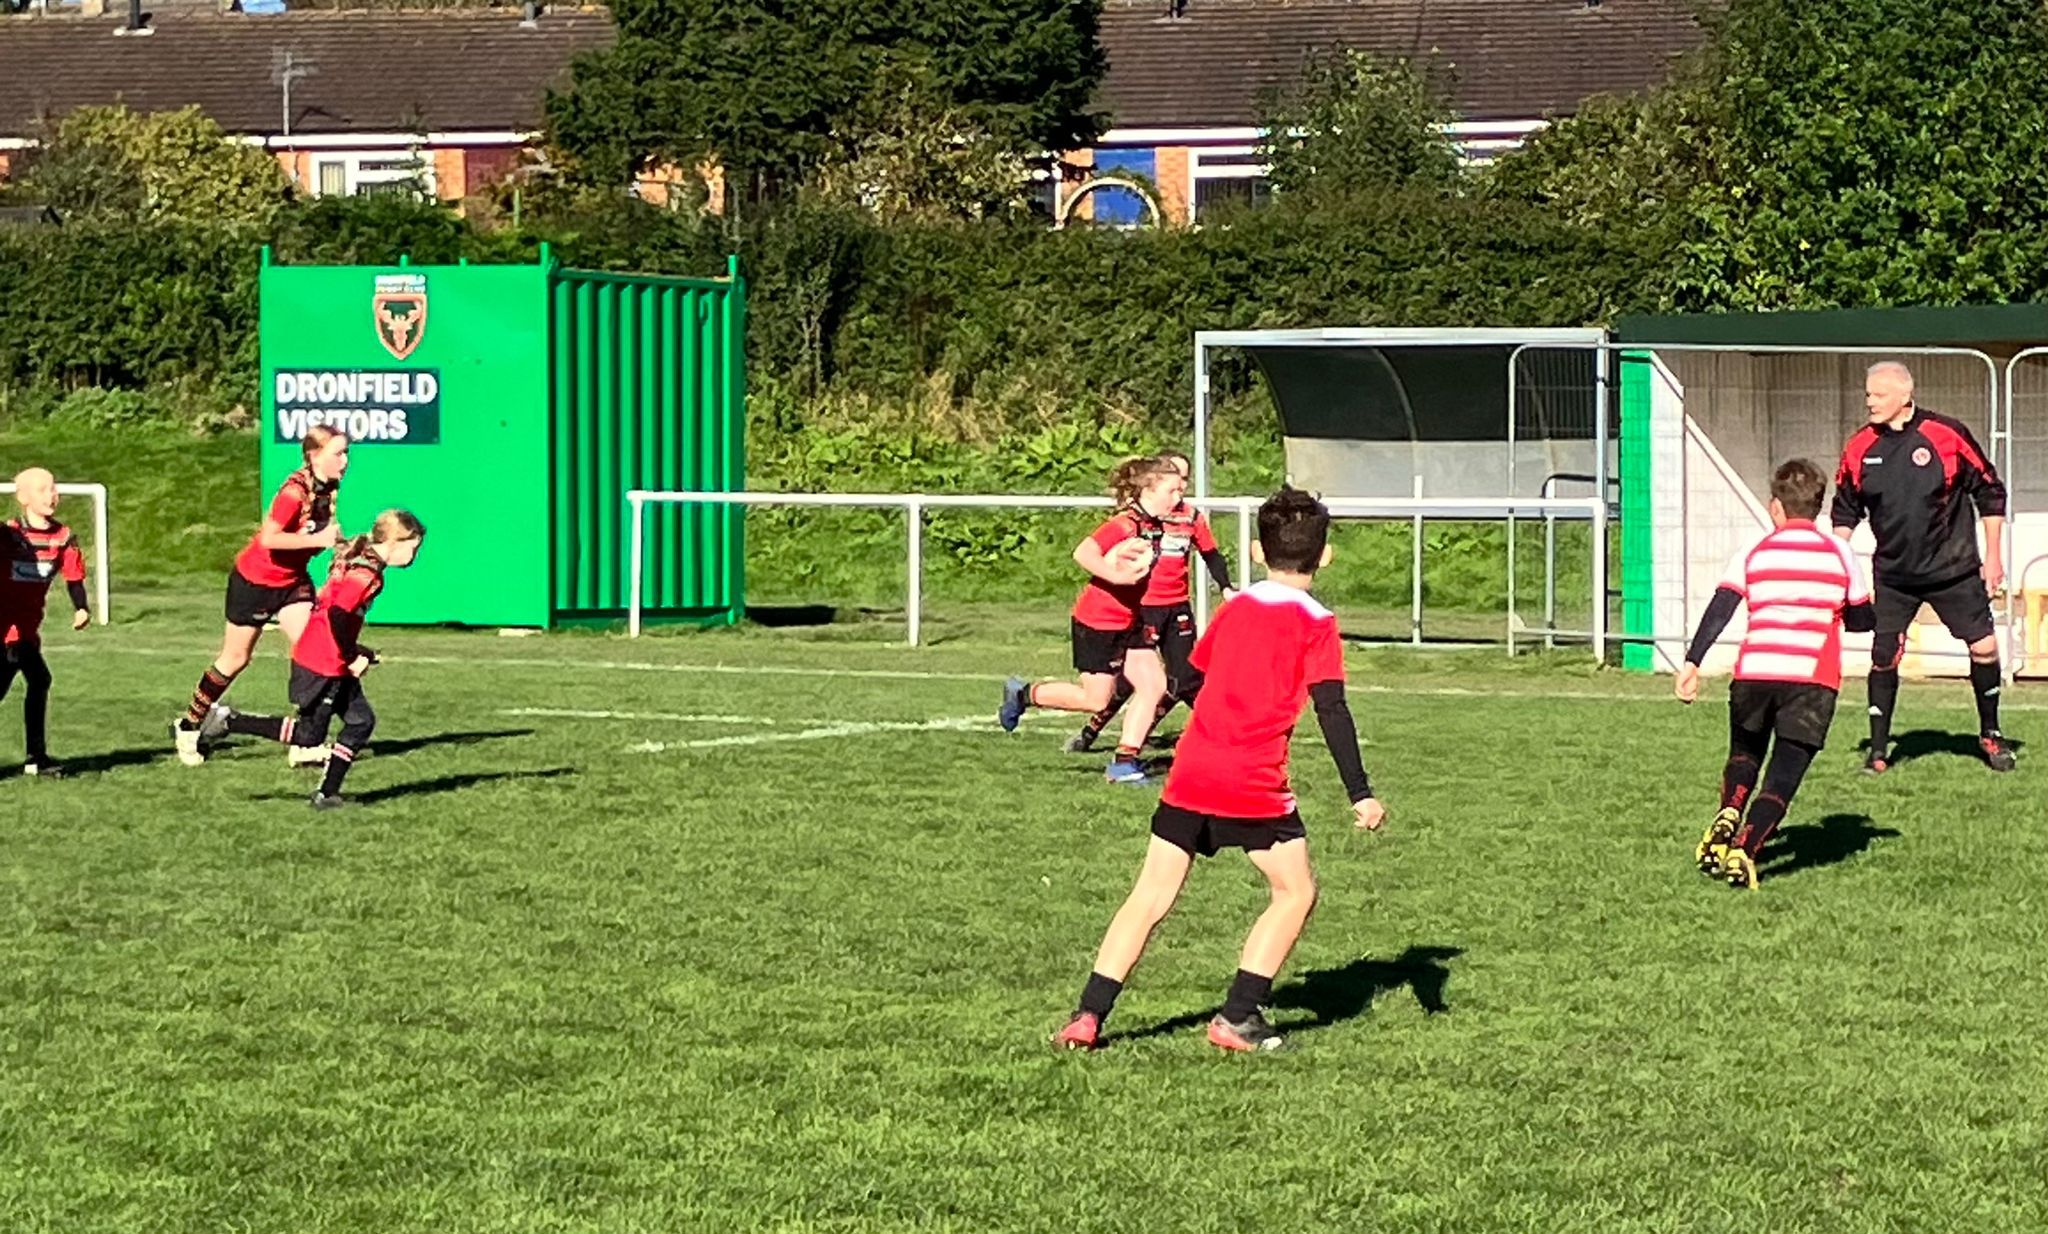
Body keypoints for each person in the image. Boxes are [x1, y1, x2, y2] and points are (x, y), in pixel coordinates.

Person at [1053, 487, 1384, 1054]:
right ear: (1324, 557)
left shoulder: (1235, 609)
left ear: (1257, 551)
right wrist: (1360, 792)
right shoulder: (1318, 624)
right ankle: (1236, 1017)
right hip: (1253, 782)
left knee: (1149, 897)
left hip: (1192, 772)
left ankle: (1088, 1016)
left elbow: (1195, 677)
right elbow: (1332, 708)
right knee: (1294, 891)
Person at [1678, 460, 1874, 890]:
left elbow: (1722, 606)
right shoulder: (1840, 553)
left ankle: (1730, 811)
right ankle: (1747, 849)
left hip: (1754, 672)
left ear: (1775, 508)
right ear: (1818, 509)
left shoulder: (1754, 551)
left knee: (1745, 754)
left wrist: (1692, 662)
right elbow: (1862, 620)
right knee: (1784, 772)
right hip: (1811, 678)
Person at [1831, 361, 2014, 773]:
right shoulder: (1860, 446)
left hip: (1953, 569)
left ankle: (1990, 733)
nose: (1869, 402)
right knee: (1883, 656)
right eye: (1867, 394)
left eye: (1877, 395)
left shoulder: (1945, 434)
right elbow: (1844, 511)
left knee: (1984, 648)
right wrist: (1835, 567)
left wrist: (1995, 557)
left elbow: (1989, 491)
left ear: (1904, 397)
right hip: (1895, 577)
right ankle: (1878, 751)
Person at [213, 510, 425, 810]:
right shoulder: (367, 573)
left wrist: (357, 650)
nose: (413, 555)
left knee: (360, 721)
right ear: (395, 541)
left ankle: (327, 794)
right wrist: (352, 656)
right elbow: (338, 612)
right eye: (413, 547)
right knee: (309, 736)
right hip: (322, 661)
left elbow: (335, 613)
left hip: (326, 655)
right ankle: (229, 721)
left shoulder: (361, 557)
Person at [174, 427, 349, 768]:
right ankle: (190, 725)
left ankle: (306, 742)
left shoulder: (328, 487)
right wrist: (321, 540)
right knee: (235, 658)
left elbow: (318, 534)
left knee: (314, 653)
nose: (345, 461)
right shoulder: (293, 493)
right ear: (314, 456)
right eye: (338, 454)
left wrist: (341, 546)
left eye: (346, 454)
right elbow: (270, 539)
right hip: (254, 582)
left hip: (292, 583)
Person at [999, 457, 1178, 784]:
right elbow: (1083, 553)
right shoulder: (1125, 524)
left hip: (1130, 620)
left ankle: (1124, 763)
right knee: (1096, 699)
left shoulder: (1154, 523)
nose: (1178, 498)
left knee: (1154, 685)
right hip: (1100, 621)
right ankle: (1025, 694)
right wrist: (1116, 576)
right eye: (1172, 490)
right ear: (1149, 490)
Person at [1068, 450, 1235, 755]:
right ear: (1154, 484)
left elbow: (1211, 554)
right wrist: (1116, 571)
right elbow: (1088, 552)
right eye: (1175, 482)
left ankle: (1136, 751)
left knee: (1182, 677)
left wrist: (1226, 587)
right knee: (1124, 685)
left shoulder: (1190, 517)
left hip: (1177, 607)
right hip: (1143, 608)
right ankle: (1093, 730)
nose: (1181, 489)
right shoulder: (1135, 521)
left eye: (1184, 481)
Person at [0, 468, 91, 777]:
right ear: (23, 497)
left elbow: (74, 577)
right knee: (34, 681)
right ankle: (35, 758)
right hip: (5, 631)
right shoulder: (8, 535)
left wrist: (81, 607)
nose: (51, 494)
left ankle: (36, 758)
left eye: (53, 488)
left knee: (39, 681)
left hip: (26, 631)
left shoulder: (62, 537)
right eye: (41, 489)